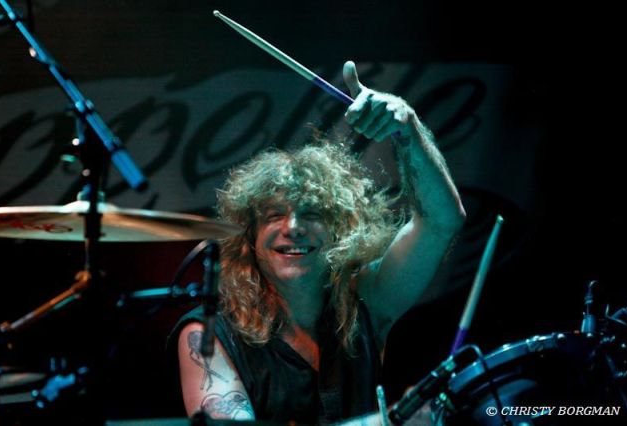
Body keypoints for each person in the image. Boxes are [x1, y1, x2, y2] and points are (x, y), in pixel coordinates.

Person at [170, 61, 466, 425]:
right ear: (249, 237)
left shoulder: (368, 301)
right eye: (274, 215)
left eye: (312, 213)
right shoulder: (206, 335)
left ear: (340, 230)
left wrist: (407, 127)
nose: (293, 227)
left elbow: (441, 221)